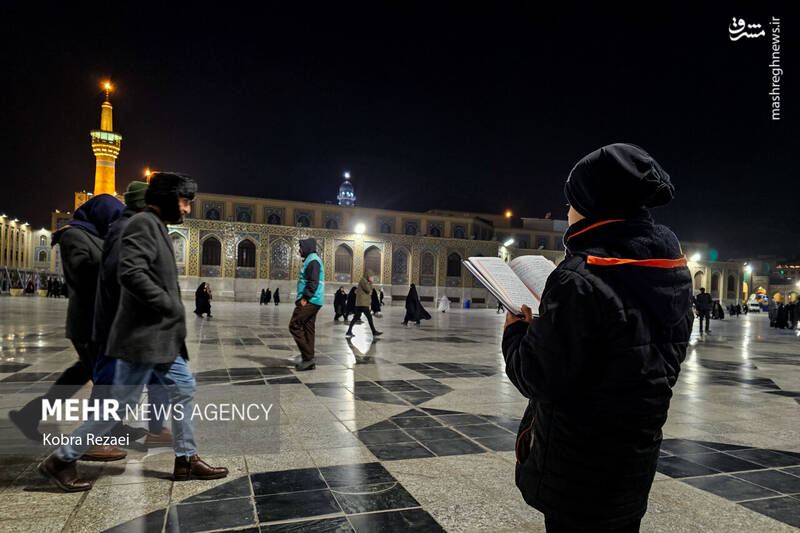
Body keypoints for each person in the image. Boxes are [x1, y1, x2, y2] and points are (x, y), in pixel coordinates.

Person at [503, 143, 692, 532]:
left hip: (578, 468)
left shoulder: (579, 278)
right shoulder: (671, 270)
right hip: (633, 458)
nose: (567, 212)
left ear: (594, 203)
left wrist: (516, 330)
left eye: (571, 202)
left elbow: (539, 378)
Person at [37, 172, 228, 492]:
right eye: (183, 201)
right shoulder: (138, 225)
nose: (187, 209)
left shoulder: (152, 225)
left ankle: (186, 459)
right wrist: (166, 304)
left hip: (159, 337)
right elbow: (129, 274)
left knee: (183, 387)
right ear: (165, 200)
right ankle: (61, 459)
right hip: (141, 337)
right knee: (119, 406)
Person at [11, 194, 127, 463]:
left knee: (79, 375)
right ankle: (93, 441)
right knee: (105, 381)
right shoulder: (73, 236)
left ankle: (30, 415)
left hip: (100, 321)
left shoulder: (97, 236)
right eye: (112, 220)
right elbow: (81, 272)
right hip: (87, 322)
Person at [92, 181, 171, 448]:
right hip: (119, 325)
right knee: (109, 380)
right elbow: (124, 278)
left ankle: (156, 431)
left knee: (158, 376)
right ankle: (94, 439)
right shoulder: (126, 230)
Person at [288, 238, 324, 371]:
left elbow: (313, 282)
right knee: (308, 328)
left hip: (310, 300)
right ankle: (309, 359)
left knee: (294, 325)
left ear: (307, 247)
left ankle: (308, 357)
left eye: (301, 247)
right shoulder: (311, 259)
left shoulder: (313, 261)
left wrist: (305, 298)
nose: (299, 250)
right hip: (314, 300)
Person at [346, 273, 383, 338]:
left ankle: (349, 331)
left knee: (356, 318)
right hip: (363, 304)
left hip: (360, 304)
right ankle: (374, 332)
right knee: (369, 318)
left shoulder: (363, 284)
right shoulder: (363, 283)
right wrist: (370, 283)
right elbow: (367, 291)